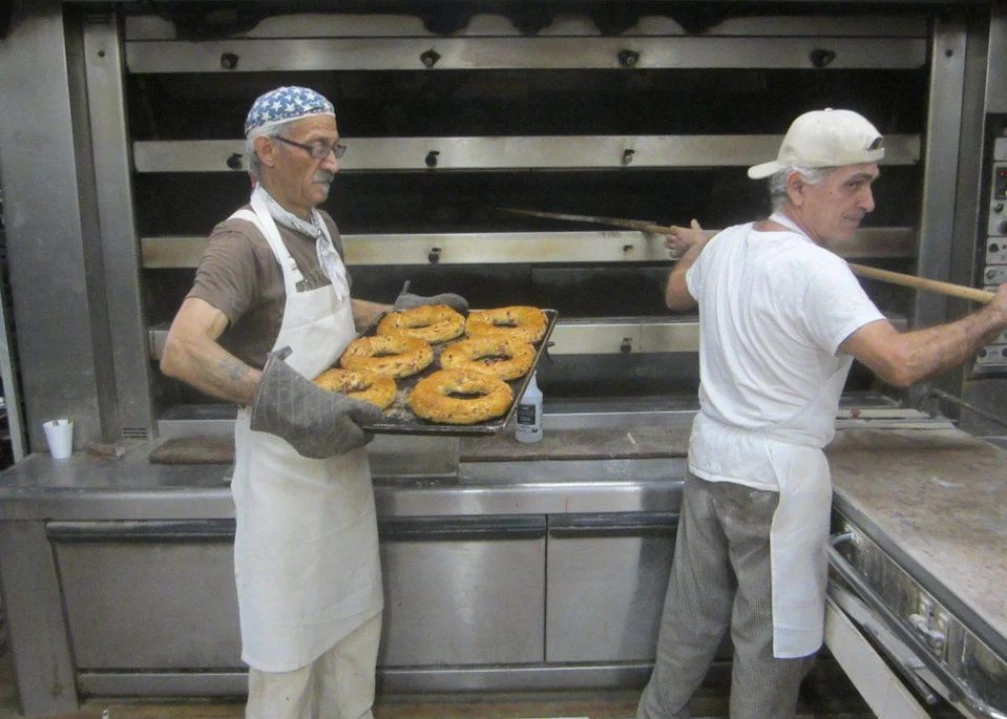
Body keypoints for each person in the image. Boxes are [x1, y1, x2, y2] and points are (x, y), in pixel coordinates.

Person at [637, 108, 1007, 719]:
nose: (868, 202)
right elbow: (901, 363)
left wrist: (700, 249)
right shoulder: (818, 271)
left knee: (691, 619)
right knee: (771, 645)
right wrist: (994, 317)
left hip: (710, 462)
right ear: (798, 187)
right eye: (853, 184)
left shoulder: (729, 244)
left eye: (871, 183)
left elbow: (677, 291)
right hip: (774, 484)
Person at [160, 86, 465, 719]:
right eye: (317, 148)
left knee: (351, 627)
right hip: (284, 477)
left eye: (336, 148)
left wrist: (399, 319)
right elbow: (183, 349)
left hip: (341, 460)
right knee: (289, 647)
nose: (332, 163)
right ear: (268, 150)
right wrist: (290, 403)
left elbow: (332, 308)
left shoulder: (319, 226)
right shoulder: (240, 241)